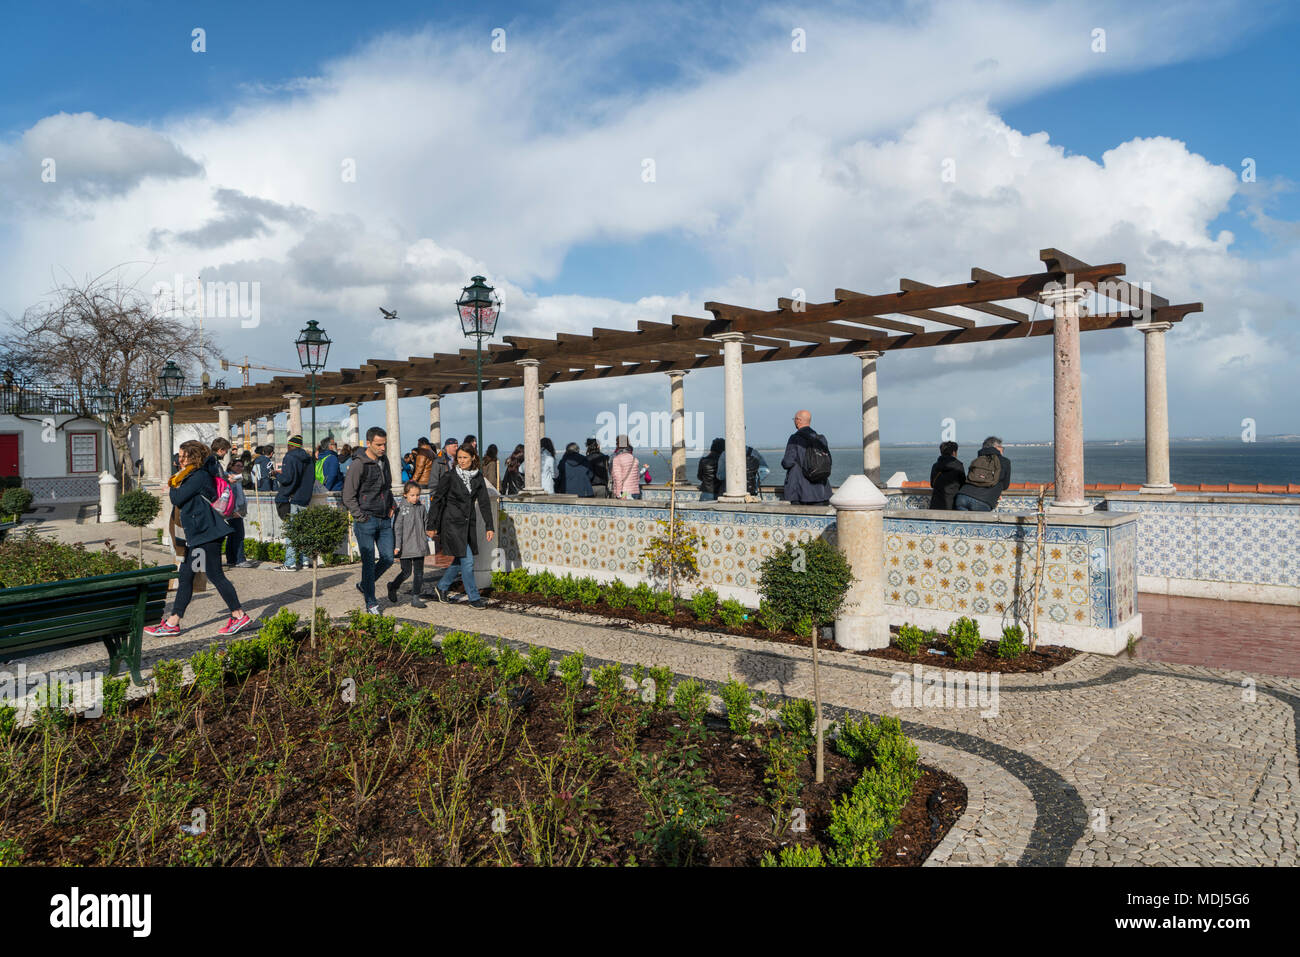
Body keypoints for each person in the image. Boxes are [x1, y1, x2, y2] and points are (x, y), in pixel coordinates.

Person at [144, 440, 251, 637]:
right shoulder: (193, 475)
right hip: (198, 535)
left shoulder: (199, 475)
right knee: (186, 576)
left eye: (182, 456)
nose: (179, 460)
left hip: (206, 534)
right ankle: (173, 622)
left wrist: (172, 487)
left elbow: (178, 498)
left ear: (191, 456)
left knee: (215, 575)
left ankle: (238, 615)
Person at [427, 445, 494, 607]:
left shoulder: (477, 477)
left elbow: (484, 502)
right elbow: (437, 500)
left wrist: (489, 526)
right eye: (459, 458)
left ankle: (441, 587)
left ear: (473, 458)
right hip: (451, 524)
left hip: (468, 525)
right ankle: (474, 597)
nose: (462, 461)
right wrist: (431, 525)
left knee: (459, 560)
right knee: (468, 561)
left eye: (465, 457)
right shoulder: (449, 476)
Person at [342, 426, 397, 614]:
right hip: (366, 520)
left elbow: (387, 487)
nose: (382, 448)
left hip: (384, 519)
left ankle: (365, 584)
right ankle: (371, 603)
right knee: (368, 562)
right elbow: (348, 495)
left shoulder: (384, 460)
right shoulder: (359, 464)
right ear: (368, 443)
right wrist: (361, 517)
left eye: (384, 444)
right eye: (379, 445)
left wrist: (392, 506)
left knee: (388, 558)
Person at [210, 438, 254, 569]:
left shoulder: (215, 463)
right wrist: (234, 509)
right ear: (220, 450)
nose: (241, 468)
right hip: (230, 510)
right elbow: (228, 492)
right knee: (238, 536)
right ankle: (239, 559)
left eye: (242, 466)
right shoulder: (214, 462)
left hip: (228, 509)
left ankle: (231, 559)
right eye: (238, 466)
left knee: (231, 536)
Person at [274, 435, 315, 571]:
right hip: (305, 498)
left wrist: (276, 475)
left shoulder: (290, 457)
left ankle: (290, 563)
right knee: (303, 530)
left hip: (292, 498)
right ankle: (305, 561)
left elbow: (287, 479)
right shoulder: (308, 459)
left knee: (292, 532)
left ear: (290, 445)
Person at [387, 480, 430, 608]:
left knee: (419, 573)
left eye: (417, 495)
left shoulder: (421, 508)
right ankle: (393, 586)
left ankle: (415, 597)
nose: (415, 498)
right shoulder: (401, 509)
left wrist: (430, 532)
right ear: (405, 494)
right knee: (406, 572)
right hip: (405, 547)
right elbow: (397, 528)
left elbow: (426, 523)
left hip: (419, 545)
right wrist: (397, 546)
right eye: (412, 495)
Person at [781, 410, 833, 505]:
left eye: (794, 419)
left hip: (801, 492)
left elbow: (788, 462)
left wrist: (783, 462)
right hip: (822, 490)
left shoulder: (795, 438)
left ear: (798, 420)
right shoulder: (821, 438)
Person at [954, 436, 1011, 512]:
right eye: (1002, 447)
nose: (1003, 450)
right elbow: (1005, 486)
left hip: (962, 497)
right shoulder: (1005, 461)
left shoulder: (977, 459)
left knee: (964, 523)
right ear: (997, 447)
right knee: (978, 524)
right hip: (983, 500)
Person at [929, 441, 966, 510]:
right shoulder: (958, 466)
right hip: (951, 504)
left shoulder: (935, 466)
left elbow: (932, 484)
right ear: (954, 453)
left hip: (935, 504)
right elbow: (963, 484)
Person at [610, 435, 641, 499]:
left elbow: (618, 478)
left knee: (624, 509)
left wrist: (618, 494)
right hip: (635, 491)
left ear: (618, 444)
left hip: (624, 493)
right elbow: (637, 477)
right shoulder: (634, 459)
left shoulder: (616, 459)